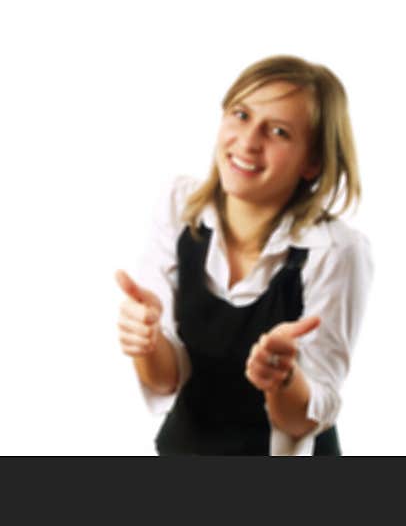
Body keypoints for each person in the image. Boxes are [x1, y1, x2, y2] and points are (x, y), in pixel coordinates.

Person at [115, 56, 372, 455]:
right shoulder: (178, 208)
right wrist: (146, 342)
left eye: (279, 132)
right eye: (241, 115)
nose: (249, 141)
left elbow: (305, 418)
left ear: (312, 162)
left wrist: (282, 379)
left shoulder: (335, 251)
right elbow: (165, 380)